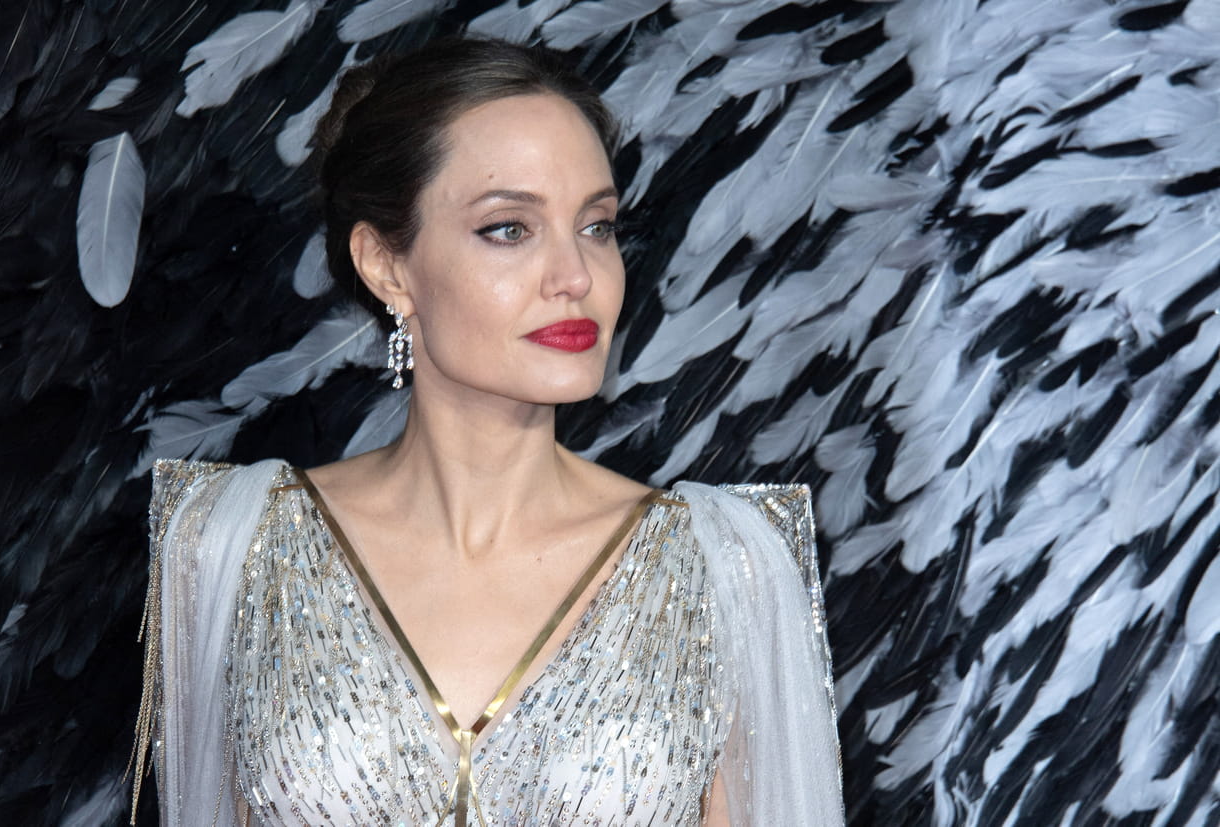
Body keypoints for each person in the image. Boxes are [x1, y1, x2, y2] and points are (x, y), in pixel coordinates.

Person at [131, 37, 844, 827]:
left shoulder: (728, 568)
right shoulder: (231, 544)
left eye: (597, 226)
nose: (576, 276)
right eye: (509, 228)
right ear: (386, 265)